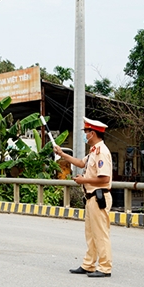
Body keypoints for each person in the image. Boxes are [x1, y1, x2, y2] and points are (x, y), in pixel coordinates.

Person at [54, 117, 113, 278]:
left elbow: (104, 178)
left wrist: (83, 180)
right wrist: (61, 154)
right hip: (91, 198)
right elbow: (80, 163)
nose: (85, 135)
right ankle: (88, 264)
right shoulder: (94, 151)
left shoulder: (102, 152)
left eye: (86, 132)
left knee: (100, 234)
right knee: (91, 233)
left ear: (92, 133)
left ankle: (105, 267)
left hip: (98, 196)